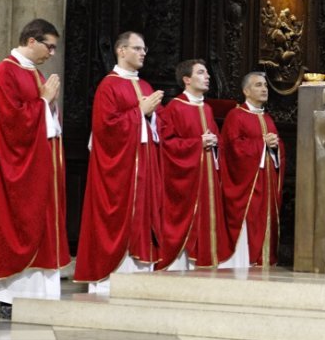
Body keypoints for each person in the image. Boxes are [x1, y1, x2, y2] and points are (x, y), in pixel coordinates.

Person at [0, 19, 69, 319]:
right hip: (18, 166)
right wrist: (43, 101)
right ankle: (12, 298)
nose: (52, 53)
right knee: (18, 222)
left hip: (41, 165)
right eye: (49, 46)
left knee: (44, 222)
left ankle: (44, 296)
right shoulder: (5, 71)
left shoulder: (35, 73)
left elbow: (46, 119)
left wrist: (47, 105)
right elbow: (11, 122)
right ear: (31, 40)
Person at [75, 31, 163, 292]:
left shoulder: (145, 86)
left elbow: (156, 130)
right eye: (137, 48)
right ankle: (107, 282)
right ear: (121, 51)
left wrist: (152, 117)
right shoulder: (108, 86)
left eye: (144, 49)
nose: (143, 53)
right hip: (119, 170)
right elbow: (105, 129)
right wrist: (140, 112)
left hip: (144, 168)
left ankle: (141, 280)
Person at [157, 59, 230, 270]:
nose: (207, 76)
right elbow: (167, 144)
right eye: (201, 72)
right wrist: (198, 143)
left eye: (207, 73)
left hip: (207, 179)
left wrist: (215, 142)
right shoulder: (175, 107)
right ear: (186, 80)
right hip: (185, 181)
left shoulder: (207, 108)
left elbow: (216, 139)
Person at [221, 71, 285, 267]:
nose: (264, 89)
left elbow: (277, 148)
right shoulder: (236, 115)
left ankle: (264, 259)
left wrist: (275, 146)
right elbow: (233, 148)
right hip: (247, 185)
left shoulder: (267, 118)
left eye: (265, 85)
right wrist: (262, 144)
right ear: (246, 91)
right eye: (258, 85)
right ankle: (243, 260)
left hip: (267, 184)